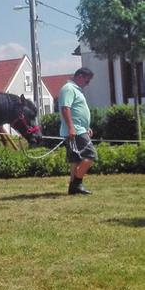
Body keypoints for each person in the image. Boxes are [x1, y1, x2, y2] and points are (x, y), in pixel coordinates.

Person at [58, 67, 96, 195]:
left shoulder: (76, 90)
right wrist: (71, 127)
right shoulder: (69, 88)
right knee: (90, 155)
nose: (88, 84)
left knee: (75, 159)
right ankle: (77, 184)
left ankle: (72, 188)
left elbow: (76, 111)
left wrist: (86, 127)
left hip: (80, 129)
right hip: (75, 131)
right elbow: (65, 108)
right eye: (87, 81)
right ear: (80, 76)